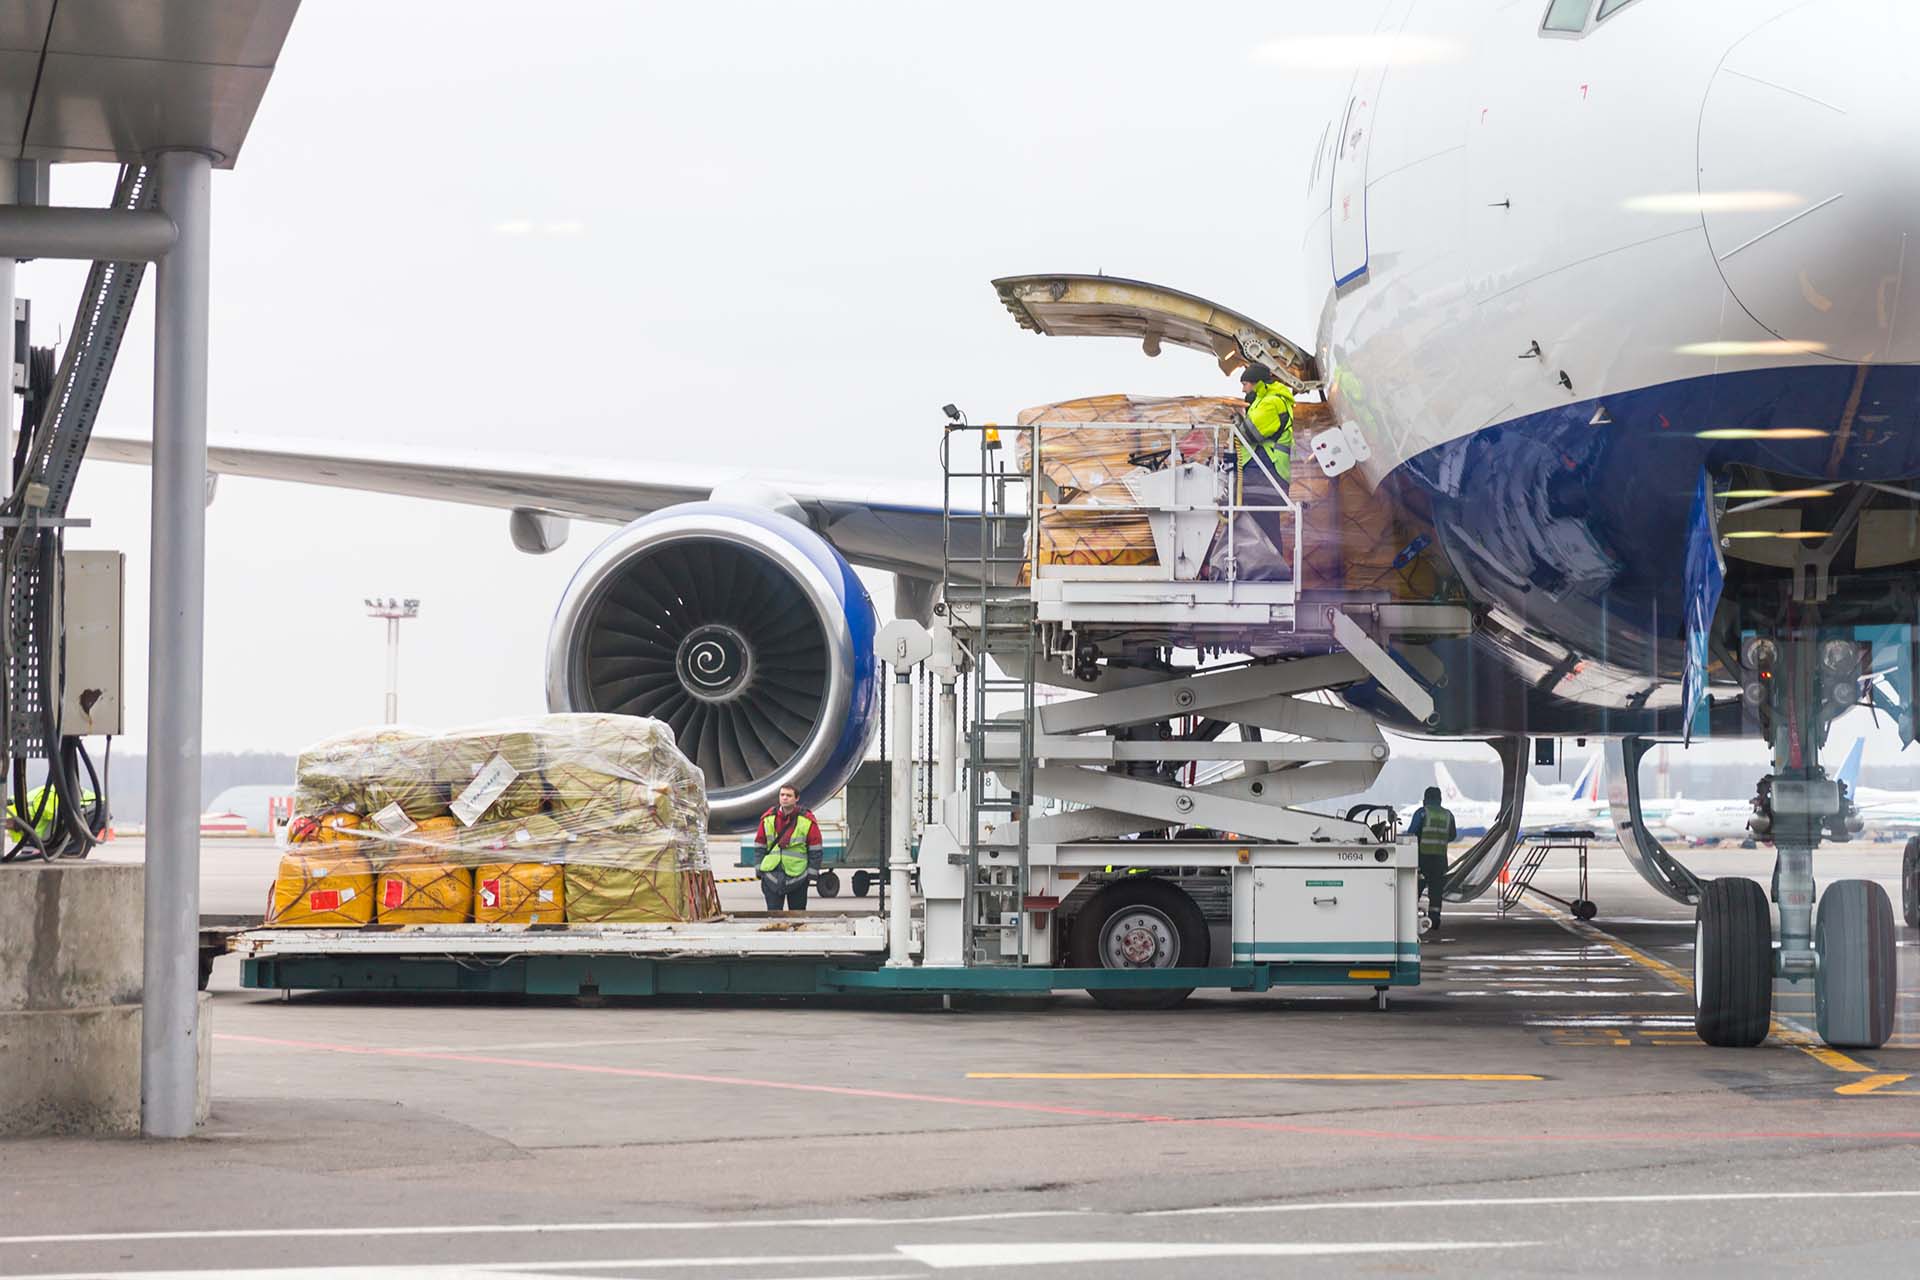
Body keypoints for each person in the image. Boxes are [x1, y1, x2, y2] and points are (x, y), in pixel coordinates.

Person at [1234, 363, 1296, 570]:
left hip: (1266, 473)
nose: (1243, 390)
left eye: (1245, 384)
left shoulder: (1271, 404)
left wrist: (1237, 423)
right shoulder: (1265, 401)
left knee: (1262, 527)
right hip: (1263, 474)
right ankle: (1267, 568)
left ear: (1257, 383)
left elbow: (1248, 434)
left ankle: (1271, 569)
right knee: (1260, 525)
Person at [756, 783, 823, 911]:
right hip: (771, 875)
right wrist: (759, 869)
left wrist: (812, 873)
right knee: (773, 918)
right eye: (782, 795)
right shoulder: (768, 819)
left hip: (797, 876)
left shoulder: (807, 821)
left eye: (788, 795)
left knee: (797, 917)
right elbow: (759, 845)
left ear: (796, 798)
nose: (784, 798)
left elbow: (816, 849)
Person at [1408, 784, 1456, 930]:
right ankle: (1435, 920)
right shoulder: (1448, 815)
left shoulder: (1422, 813)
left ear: (1425, 800)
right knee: (1436, 891)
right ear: (1440, 800)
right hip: (1440, 859)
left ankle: (1409, 918)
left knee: (1414, 889)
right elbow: (1453, 836)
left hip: (1422, 859)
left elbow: (1411, 833)